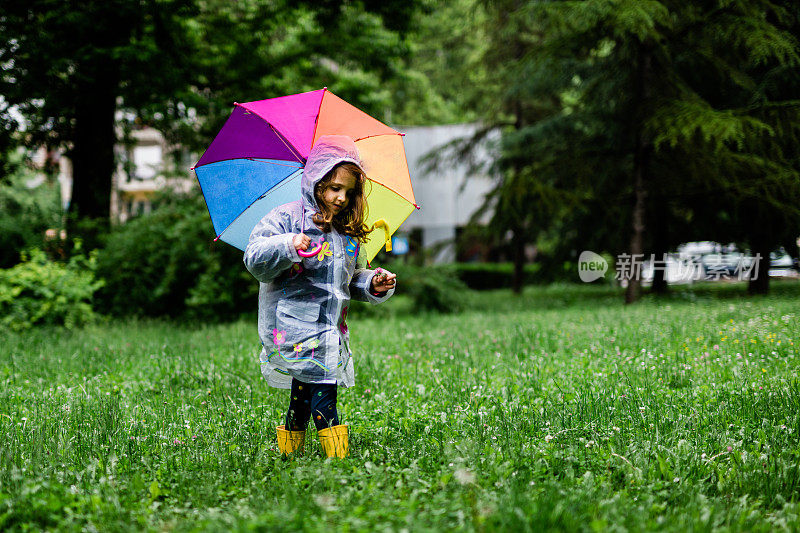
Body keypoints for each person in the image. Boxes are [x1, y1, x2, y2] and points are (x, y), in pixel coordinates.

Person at [244, 135, 396, 458]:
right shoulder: (287, 218)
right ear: (316, 182)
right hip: (293, 327)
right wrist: (289, 245)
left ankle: (289, 450)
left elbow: (348, 280)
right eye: (334, 188)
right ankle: (338, 459)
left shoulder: (346, 233)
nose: (341, 198)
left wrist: (373, 283)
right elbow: (254, 258)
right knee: (325, 393)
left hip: (329, 332)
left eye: (349, 191)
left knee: (302, 393)